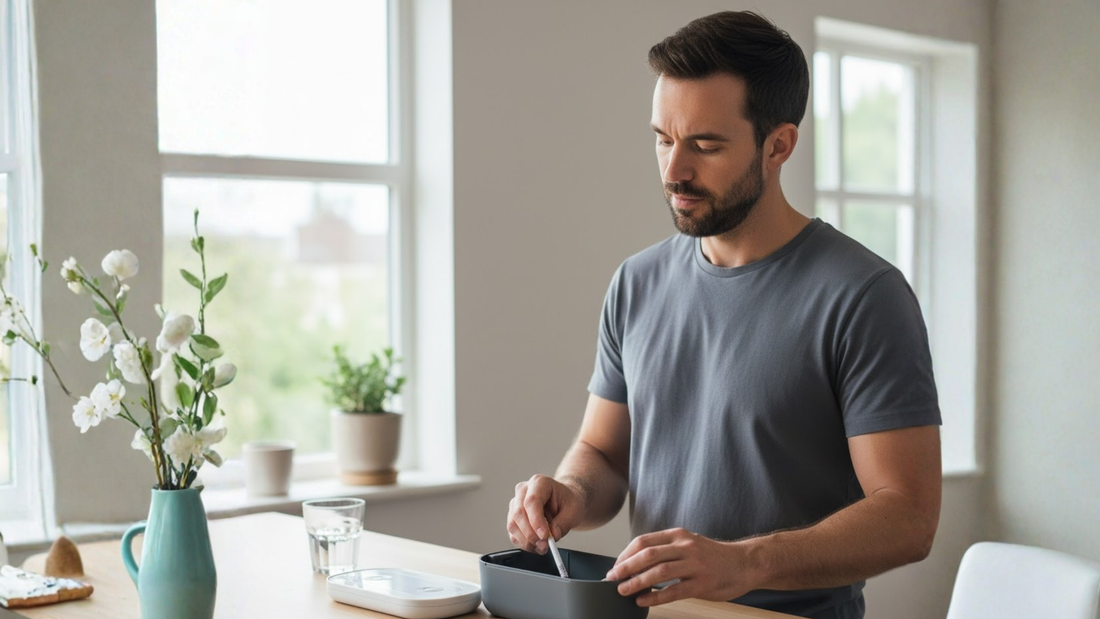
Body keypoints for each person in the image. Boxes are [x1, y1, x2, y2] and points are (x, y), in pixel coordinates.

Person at [505, 10, 942, 619]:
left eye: (705, 145)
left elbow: (909, 517)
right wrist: (571, 492)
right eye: (663, 138)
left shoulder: (864, 295)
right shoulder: (636, 282)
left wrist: (745, 562)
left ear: (778, 145)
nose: (674, 171)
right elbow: (604, 456)